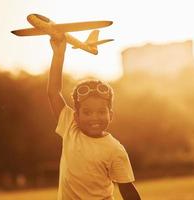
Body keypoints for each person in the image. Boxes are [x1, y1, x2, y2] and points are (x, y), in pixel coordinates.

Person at [47, 35, 141, 200]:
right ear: (76, 116)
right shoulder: (70, 126)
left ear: (110, 115)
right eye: (87, 112)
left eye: (101, 112)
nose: (94, 118)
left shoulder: (114, 150)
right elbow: (53, 92)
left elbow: (127, 190)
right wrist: (59, 54)